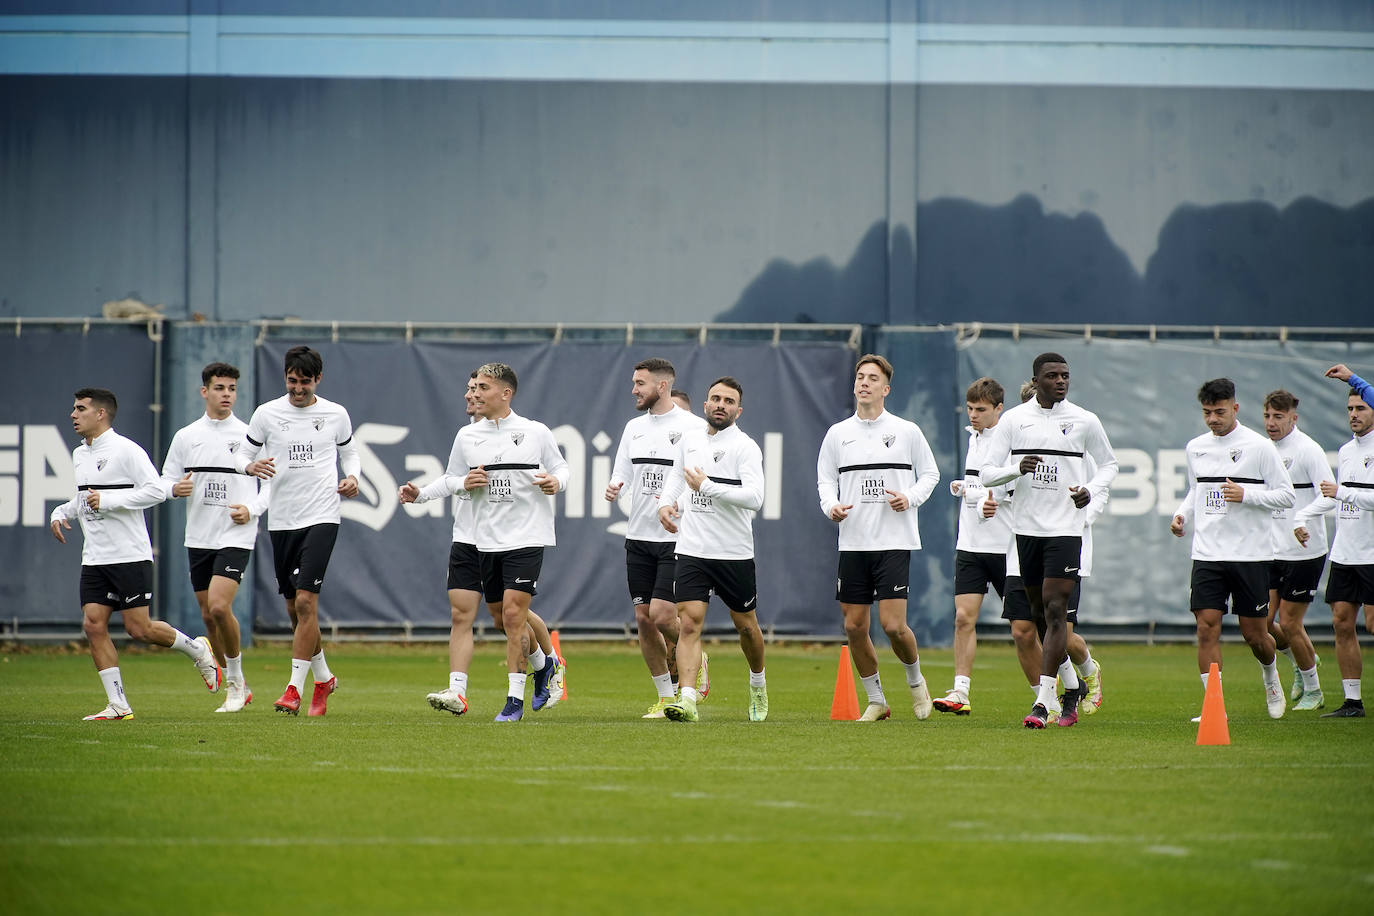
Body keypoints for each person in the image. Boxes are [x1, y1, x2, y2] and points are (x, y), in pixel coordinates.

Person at [402, 363, 567, 722]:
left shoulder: (535, 432)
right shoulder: (468, 437)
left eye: (482, 387)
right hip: (483, 539)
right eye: (472, 386)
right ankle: (545, 665)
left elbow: (562, 468)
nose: (473, 393)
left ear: (506, 393)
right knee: (498, 617)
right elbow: (450, 479)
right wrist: (424, 494)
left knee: (512, 614)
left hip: (527, 536)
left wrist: (557, 481)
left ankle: (513, 702)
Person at [50, 388, 220, 720]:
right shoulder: (79, 454)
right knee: (93, 624)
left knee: (138, 629)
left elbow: (156, 489)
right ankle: (118, 704)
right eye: (73, 408)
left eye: (80, 409)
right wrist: (61, 512)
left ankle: (198, 649)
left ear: (100, 414)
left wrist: (110, 501)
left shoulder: (126, 450)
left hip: (129, 554)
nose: (73, 414)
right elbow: (86, 498)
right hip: (95, 557)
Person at [982, 353, 1118, 728]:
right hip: (1026, 531)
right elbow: (987, 473)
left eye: (1065, 376)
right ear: (1035, 379)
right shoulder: (1014, 420)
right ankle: (1072, 686)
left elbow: (1109, 464)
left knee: (1056, 610)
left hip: (1066, 531)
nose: (1060, 381)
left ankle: (1044, 701)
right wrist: (1016, 468)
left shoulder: (1084, 420)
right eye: (1052, 376)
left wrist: (1090, 489)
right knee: (1039, 618)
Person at [236, 346, 357, 717]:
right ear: (285, 377)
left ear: (317, 379)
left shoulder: (335, 414)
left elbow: (349, 454)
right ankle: (323, 677)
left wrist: (353, 477)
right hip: (282, 518)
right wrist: (249, 467)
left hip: (322, 515)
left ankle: (294, 689)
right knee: (295, 609)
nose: (298, 388)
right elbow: (242, 455)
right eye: (292, 380)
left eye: (305, 382)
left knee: (306, 602)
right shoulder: (266, 414)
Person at [816, 354, 938, 721]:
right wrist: (831, 506)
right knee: (854, 626)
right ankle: (877, 700)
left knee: (893, 626)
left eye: (872, 378)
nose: (864, 382)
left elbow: (930, 474)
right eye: (860, 376)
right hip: (853, 543)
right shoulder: (838, 433)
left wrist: (910, 498)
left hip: (894, 541)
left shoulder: (907, 431)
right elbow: (825, 480)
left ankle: (917, 685)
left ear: (886, 389)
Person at [1171, 378, 1294, 720]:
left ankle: (1271, 675)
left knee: (1255, 634)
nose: (1213, 419)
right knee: (1206, 626)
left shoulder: (1259, 447)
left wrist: (1247, 495)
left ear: (1235, 408)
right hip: (1208, 555)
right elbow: (1196, 491)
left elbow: (1286, 496)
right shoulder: (1196, 447)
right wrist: (1181, 515)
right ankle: (1215, 708)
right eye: (1207, 413)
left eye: (1219, 412)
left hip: (1251, 556)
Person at [604, 358, 710, 718]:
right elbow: (621, 476)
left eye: (640, 383)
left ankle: (694, 656)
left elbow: (699, 479)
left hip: (678, 537)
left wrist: (674, 505)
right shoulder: (633, 428)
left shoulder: (694, 427)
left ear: (662, 386)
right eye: (634, 382)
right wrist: (616, 488)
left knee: (664, 615)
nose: (634, 389)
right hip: (638, 536)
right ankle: (666, 696)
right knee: (644, 619)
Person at [161, 362, 269, 713]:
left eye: (232, 388)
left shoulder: (250, 435)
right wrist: (175, 488)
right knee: (209, 615)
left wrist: (250, 510)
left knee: (221, 607)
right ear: (204, 391)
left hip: (236, 533)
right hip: (199, 536)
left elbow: (270, 485)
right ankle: (230, 676)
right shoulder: (187, 436)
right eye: (220, 388)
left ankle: (237, 684)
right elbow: (165, 479)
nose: (227, 394)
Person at [659, 377, 769, 722]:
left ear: (738, 410)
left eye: (729, 400)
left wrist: (707, 486)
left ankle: (757, 684)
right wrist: (665, 503)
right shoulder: (690, 439)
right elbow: (678, 477)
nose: (721, 404)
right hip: (692, 549)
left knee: (746, 627)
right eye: (715, 398)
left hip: (733, 552)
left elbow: (755, 498)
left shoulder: (746, 447)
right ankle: (688, 698)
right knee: (689, 624)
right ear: (706, 405)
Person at [1294, 389, 1374, 718]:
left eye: (1361, 408)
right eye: (1350, 408)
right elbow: (1336, 499)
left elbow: (1349, 495)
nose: (1353, 414)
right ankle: (1352, 702)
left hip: (1372, 553)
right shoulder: (1345, 451)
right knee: (1342, 623)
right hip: (1345, 552)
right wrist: (1305, 518)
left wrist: (1343, 492)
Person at [934, 377, 1010, 715]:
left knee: (1028, 626)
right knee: (963, 618)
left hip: (1008, 547)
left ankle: (1060, 686)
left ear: (999, 409)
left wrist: (980, 497)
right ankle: (961, 691)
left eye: (981, 410)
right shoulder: (973, 438)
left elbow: (1011, 489)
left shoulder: (1009, 439)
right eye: (970, 409)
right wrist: (966, 488)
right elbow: (979, 486)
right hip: (970, 545)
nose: (974, 415)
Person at [1260, 390, 1328, 710]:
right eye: (1267, 416)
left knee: (1289, 623)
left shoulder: (1308, 450)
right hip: (1271, 549)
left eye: (1278, 417)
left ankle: (1314, 690)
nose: (1271, 423)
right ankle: (1302, 663)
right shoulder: (1262, 450)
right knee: (1262, 624)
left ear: (1293, 418)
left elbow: (1328, 495)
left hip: (1304, 550)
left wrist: (1302, 518)